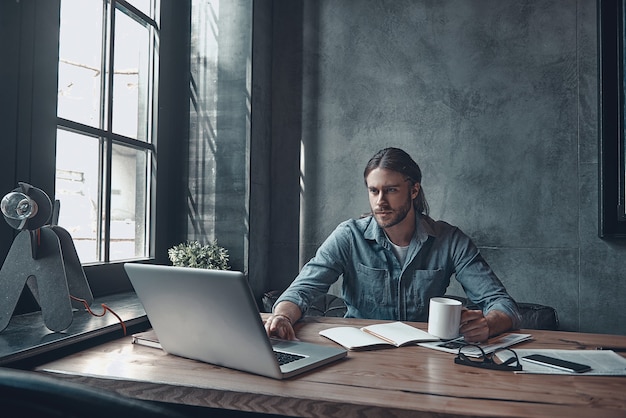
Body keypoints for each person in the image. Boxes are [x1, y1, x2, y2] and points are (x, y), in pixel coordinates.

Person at [265, 147, 521, 343]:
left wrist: (489, 323)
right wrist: (282, 317)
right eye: (373, 191)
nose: (380, 202)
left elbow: (501, 303)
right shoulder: (349, 236)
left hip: (423, 357)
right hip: (358, 355)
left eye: (391, 190)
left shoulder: (450, 240)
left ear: (413, 190)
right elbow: (302, 289)